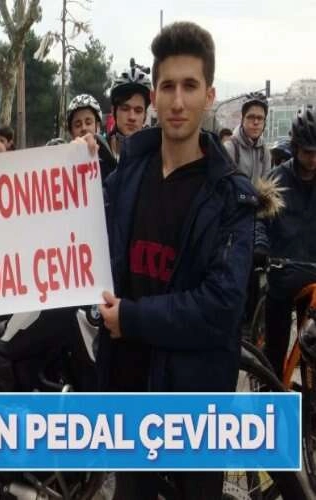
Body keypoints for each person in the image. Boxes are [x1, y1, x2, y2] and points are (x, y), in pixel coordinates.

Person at [97, 22, 258, 498]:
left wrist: (132, 318)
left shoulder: (231, 197)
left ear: (210, 95)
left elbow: (220, 307)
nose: (178, 101)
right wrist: (72, 171)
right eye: (168, 86)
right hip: (127, 395)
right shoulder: (127, 176)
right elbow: (73, 234)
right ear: (154, 95)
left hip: (194, 407)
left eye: (190, 86)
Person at [256, 105, 316, 379]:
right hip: (284, 274)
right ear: (295, 147)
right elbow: (258, 220)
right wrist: (260, 246)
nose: (313, 159)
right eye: (308, 152)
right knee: (276, 351)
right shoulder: (276, 180)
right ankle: (270, 391)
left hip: (313, 273)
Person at [107, 59, 152, 159]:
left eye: (138, 111)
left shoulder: (156, 154)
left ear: (145, 115)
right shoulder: (98, 151)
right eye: (125, 109)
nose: (132, 117)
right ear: (113, 111)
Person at [67, 94, 117, 181]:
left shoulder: (109, 159)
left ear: (97, 126)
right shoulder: (63, 161)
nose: (84, 128)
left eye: (88, 122)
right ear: (71, 132)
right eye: (78, 125)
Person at [224, 91, 271, 182]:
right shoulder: (230, 148)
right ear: (242, 119)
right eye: (251, 117)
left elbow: (266, 184)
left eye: (260, 118)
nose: (256, 122)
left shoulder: (264, 151)